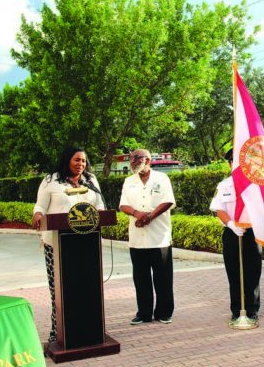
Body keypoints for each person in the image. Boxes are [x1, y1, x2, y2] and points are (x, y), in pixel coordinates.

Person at [32, 145, 105, 343]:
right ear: (67, 160)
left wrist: (101, 213)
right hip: (56, 244)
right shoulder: (51, 181)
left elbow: (99, 205)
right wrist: (38, 214)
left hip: (86, 243)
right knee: (60, 290)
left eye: (83, 161)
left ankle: (89, 331)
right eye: (76, 160)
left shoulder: (90, 180)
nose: (81, 164)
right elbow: (40, 206)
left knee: (87, 287)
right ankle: (59, 334)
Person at [119, 149, 176, 325]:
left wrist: (149, 217)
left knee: (163, 278)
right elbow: (123, 205)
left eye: (137, 158)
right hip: (137, 238)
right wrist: (137, 214)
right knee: (141, 278)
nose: (133, 161)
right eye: (131, 159)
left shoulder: (161, 178)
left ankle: (164, 312)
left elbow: (168, 201)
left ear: (148, 160)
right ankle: (143, 313)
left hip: (159, 237)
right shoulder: (129, 182)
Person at [209, 148, 262, 322]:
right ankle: (237, 309)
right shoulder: (224, 185)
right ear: (230, 164)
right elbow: (219, 209)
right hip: (232, 232)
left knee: (252, 271)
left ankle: (252, 309)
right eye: (233, 162)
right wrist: (231, 224)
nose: (236, 165)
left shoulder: (256, 184)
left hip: (252, 232)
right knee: (234, 272)